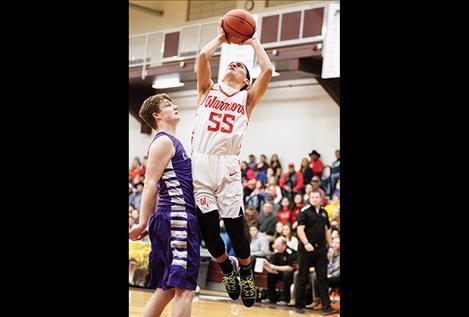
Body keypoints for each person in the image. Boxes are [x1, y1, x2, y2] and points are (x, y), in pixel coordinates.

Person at [191, 17, 273, 307]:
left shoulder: (246, 99)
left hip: (227, 167)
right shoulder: (206, 90)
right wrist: (221, 39)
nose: (233, 65)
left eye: (239, 66)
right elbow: (202, 56)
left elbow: (269, 69)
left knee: (237, 232)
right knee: (210, 233)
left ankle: (246, 272)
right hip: (200, 164)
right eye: (231, 64)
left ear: (246, 80)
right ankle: (228, 269)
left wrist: (252, 42)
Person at [129, 93, 199, 317]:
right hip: (178, 217)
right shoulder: (164, 141)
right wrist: (142, 221)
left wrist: (153, 220)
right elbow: (149, 184)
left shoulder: (170, 141)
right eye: (168, 105)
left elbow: (160, 186)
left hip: (169, 217)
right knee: (185, 289)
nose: (175, 106)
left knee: (166, 288)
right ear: (157, 115)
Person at [294, 191, 338, 315]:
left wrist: (330, 246)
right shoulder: (304, 212)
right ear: (309, 198)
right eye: (312, 197)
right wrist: (306, 243)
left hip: (320, 250)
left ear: (321, 199)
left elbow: (327, 230)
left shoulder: (324, 212)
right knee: (302, 277)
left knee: (322, 278)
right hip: (306, 249)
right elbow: (300, 230)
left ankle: (327, 306)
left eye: (317, 197)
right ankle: (299, 305)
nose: (314, 199)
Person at [261, 237, 296, 306]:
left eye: (278, 246)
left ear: (284, 245)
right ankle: (271, 297)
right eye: (276, 246)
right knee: (271, 275)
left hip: (290, 275)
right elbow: (273, 267)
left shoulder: (291, 253)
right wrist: (266, 266)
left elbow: (290, 268)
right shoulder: (277, 254)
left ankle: (285, 299)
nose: (276, 248)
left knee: (287, 275)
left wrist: (274, 267)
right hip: (279, 273)